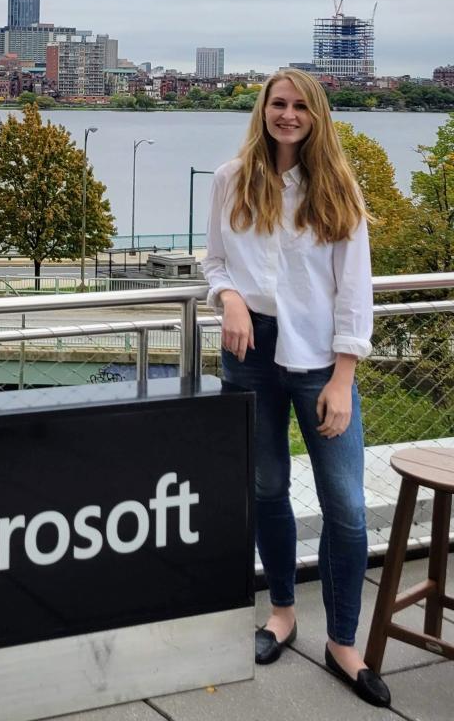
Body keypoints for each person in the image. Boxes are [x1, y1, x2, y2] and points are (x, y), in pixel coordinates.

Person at [202, 68, 389, 707]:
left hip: (318, 360)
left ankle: (343, 640)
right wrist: (226, 297)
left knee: (346, 504)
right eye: (278, 104)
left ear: (316, 116)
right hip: (249, 349)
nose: (287, 115)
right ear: (264, 109)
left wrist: (343, 377)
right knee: (265, 486)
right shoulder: (232, 179)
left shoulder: (336, 187)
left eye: (299, 106)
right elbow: (216, 259)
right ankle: (282, 611)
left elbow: (354, 291)